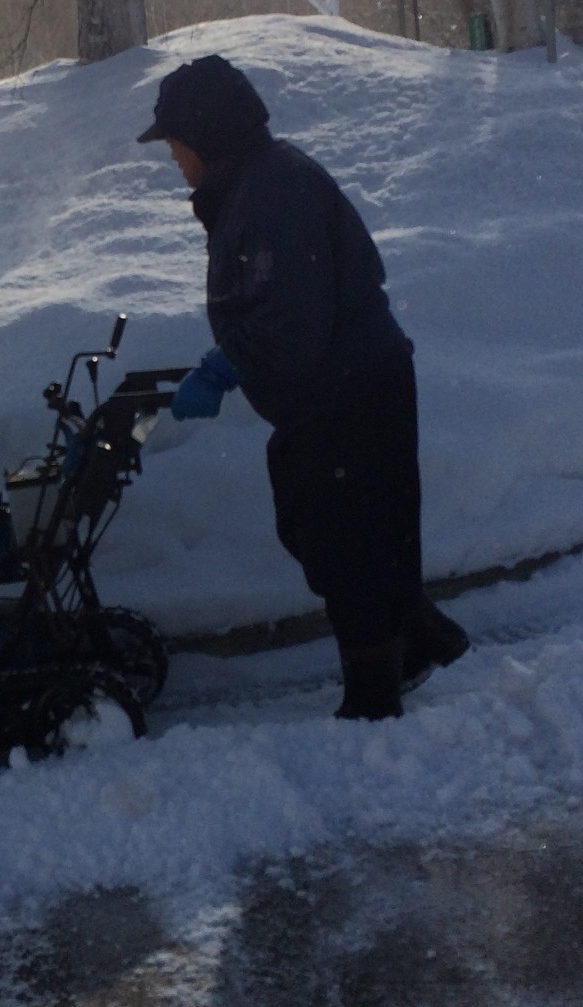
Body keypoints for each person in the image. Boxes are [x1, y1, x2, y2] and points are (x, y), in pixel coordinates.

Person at [141, 54, 468, 719]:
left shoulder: (272, 194)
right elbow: (274, 306)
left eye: (176, 143)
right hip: (338, 386)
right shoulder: (253, 186)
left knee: (346, 542)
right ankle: (421, 635)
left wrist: (226, 366)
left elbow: (294, 324)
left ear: (208, 134)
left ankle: (374, 697)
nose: (172, 158)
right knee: (330, 530)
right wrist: (227, 359)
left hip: (350, 388)